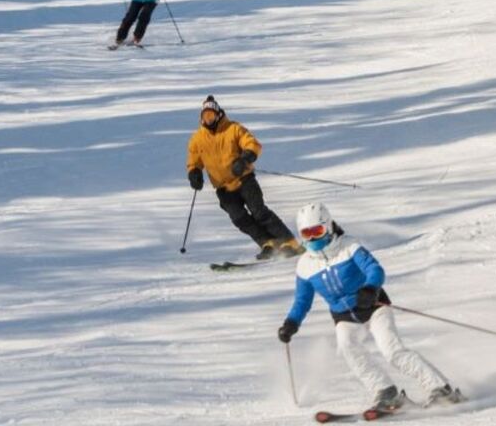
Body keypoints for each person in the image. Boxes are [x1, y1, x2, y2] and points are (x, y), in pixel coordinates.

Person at [276, 202, 463, 414]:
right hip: (344, 316)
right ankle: (385, 392)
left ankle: (441, 388)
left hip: (373, 307)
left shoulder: (349, 246)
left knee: (392, 351)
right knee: (348, 349)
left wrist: (370, 288)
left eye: (316, 231)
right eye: (306, 233)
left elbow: (375, 269)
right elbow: (302, 301)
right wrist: (291, 323)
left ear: (327, 227)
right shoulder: (305, 265)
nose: (312, 239)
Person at [187, 95, 305, 261]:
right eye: (205, 116)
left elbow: (252, 144)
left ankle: (289, 241)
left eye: (211, 115)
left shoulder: (233, 128)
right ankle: (267, 242)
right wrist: (194, 173)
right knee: (239, 218)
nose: (208, 119)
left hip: (244, 180)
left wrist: (245, 158)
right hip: (223, 188)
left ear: (218, 114)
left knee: (259, 212)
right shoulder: (197, 139)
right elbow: (194, 161)